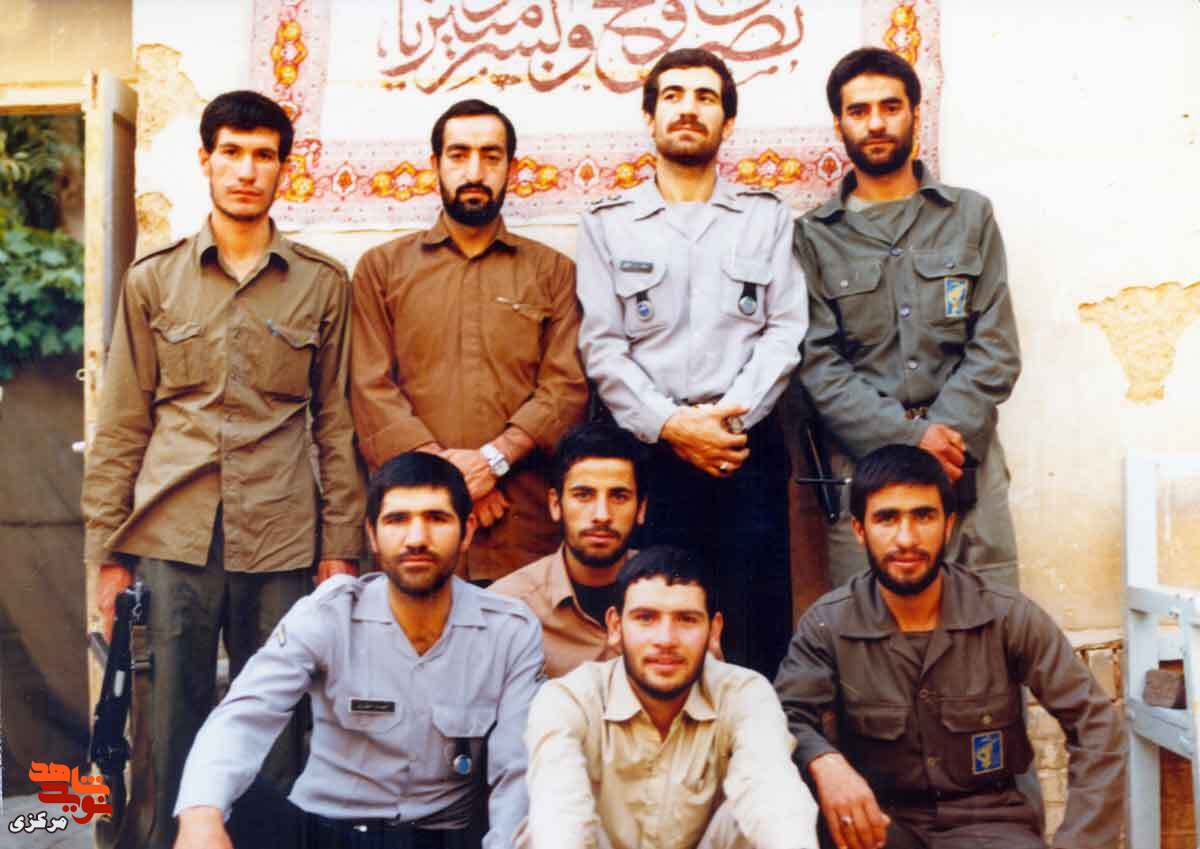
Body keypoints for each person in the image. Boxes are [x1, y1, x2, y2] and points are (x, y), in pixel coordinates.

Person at [81, 90, 364, 849]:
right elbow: (122, 424)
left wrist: (341, 548)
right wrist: (108, 554)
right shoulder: (153, 280)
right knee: (164, 726)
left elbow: (336, 422)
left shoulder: (322, 283)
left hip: (283, 537)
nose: (246, 170)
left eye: (263, 155)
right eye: (231, 152)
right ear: (204, 159)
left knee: (277, 725)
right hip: (171, 537)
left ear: (284, 169)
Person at [172, 452, 544, 849]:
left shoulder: (509, 631)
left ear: (467, 531)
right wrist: (201, 818)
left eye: (436, 518)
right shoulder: (331, 613)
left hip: (439, 838)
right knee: (228, 800)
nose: (416, 539)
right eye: (397, 520)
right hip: (327, 830)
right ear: (372, 535)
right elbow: (244, 716)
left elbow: (517, 772)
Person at [575, 48, 808, 677]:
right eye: (673, 96)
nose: (688, 109)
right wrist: (674, 425)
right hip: (647, 455)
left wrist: (724, 423)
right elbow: (603, 345)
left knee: (754, 636)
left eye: (706, 97)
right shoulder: (608, 223)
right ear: (649, 117)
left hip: (743, 451)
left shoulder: (765, 217)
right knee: (658, 631)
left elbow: (785, 330)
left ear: (727, 122)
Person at [774, 445, 1125, 849]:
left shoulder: (1006, 616)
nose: (906, 539)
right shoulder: (828, 624)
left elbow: (1096, 725)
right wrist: (825, 763)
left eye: (923, 516)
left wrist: (1080, 843)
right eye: (887, 518)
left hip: (990, 824)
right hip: (878, 823)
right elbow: (783, 717)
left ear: (948, 525)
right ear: (859, 530)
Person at [795, 47, 1021, 589]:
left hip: (966, 463)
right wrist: (907, 439)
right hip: (864, 471)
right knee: (870, 623)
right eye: (858, 110)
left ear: (915, 115)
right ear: (839, 124)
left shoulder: (969, 216)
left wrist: (941, 439)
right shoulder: (813, 236)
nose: (875, 123)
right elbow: (818, 365)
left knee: (986, 616)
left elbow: (996, 348)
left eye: (890, 107)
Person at [350, 98, 588, 583]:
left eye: (490, 156)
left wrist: (492, 462)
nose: (474, 171)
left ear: (511, 168)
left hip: (520, 529)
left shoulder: (554, 273)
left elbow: (566, 389)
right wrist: (449, 480)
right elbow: (369, 386)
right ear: (435, 164)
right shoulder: (382, 270)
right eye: (458, 155)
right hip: (416, 528)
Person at [521, 546, 819, 849]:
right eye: (645, 618)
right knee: (542, 831)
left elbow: (773, 791)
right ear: (615, 627)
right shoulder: (570, 698)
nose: (665, 640)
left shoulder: (743, 692)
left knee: (754, 817)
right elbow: (560, 810)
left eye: (686, 619)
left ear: (713, 630)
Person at [491, 420, 647, 677]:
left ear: (641, 508)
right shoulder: (509, 608)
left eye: (619, 496)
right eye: (583, 495)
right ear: (555, 504)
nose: (602, 515)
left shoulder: (674, 598)